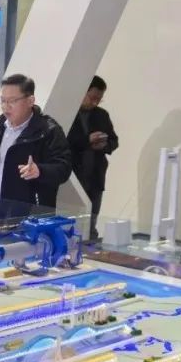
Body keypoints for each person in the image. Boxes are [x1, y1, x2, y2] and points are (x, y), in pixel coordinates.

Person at [0, 74, 72, 232]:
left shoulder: (48, 130)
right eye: (2, 101)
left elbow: (64, 167)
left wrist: (40, 171)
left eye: (12, 101)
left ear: (30, 101)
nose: (6, 107)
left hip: (31, 219)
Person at [67, 75, 118, 241]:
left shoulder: (102, 115)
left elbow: (114, 141)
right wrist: (87, 140)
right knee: (71, 222)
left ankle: (90, 248)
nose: (95, 103)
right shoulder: (67, 112)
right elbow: (63, 142)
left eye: (99, 99)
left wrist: (104, 145)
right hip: (73, 177)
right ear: (83, 91)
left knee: (91, 221)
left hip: (95, 177)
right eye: (93, 98)